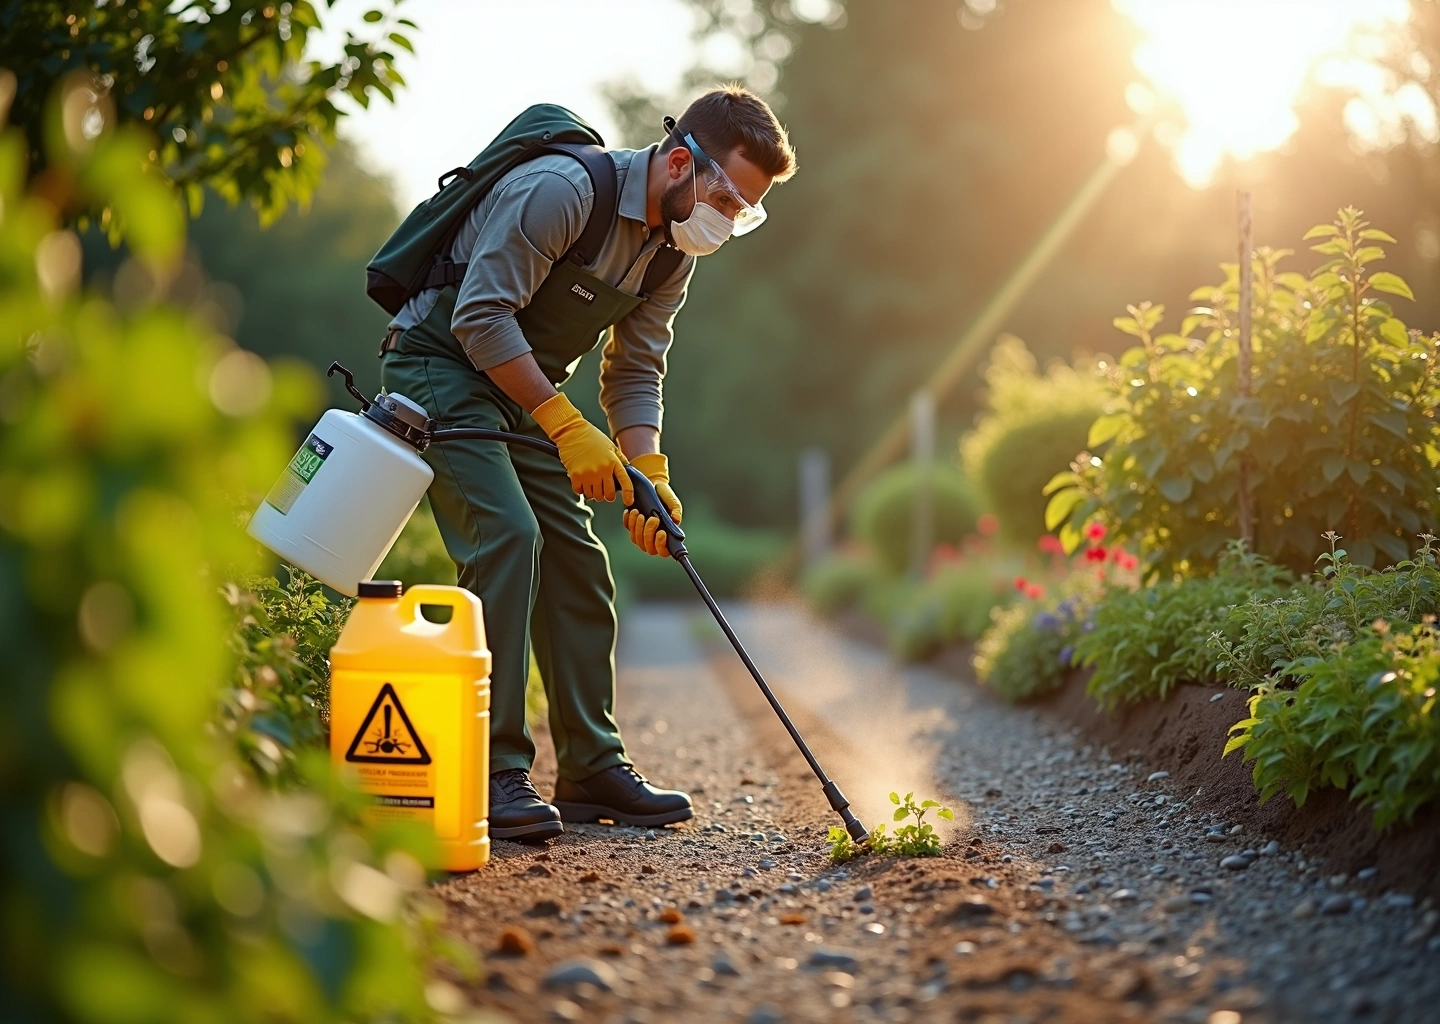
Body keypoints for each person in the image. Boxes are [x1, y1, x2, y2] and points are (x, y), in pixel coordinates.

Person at [379, 86, 796, 841]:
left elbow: (635, 371)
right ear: (680, 162)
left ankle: (589, 766)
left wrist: (650, 473)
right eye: (728, 201)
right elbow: (478, 317)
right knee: (509, 535)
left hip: (521, 394)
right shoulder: (562, 192)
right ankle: (493, 770)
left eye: (744, 213)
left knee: (578, 556)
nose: (728, 222)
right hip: (439, 365)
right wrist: (567, 427)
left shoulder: (670, 253)